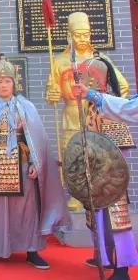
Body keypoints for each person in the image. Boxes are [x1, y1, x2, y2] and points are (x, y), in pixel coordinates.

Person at [0, 55, 69, 269]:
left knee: (27, 210)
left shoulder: (26, 106)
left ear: (14, 83)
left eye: (7, 81)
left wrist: (35, 163)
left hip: (22, 165)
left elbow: (38, 140)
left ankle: (32, 251)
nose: (3, 85)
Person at [45, 12, 129, 210]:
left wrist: (109, 107)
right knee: (74, 156)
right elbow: (51, 91)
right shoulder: (60, 61)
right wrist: (52, 94)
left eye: (86, 34)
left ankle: (100, 194)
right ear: (69, 35)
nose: (83, 39)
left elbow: (122, 87)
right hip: (72, 115)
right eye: (78, 35)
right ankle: (78, 196)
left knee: (98, 156)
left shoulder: (100, 60)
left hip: (95, 117)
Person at [72, 82, 138, 280]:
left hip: (110, 178)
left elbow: (119, 152)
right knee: (98, 219)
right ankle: (105, 258)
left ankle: (122, 267)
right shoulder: (93, 106)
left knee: (117, 221)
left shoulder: (113, 110)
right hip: (95, 175)